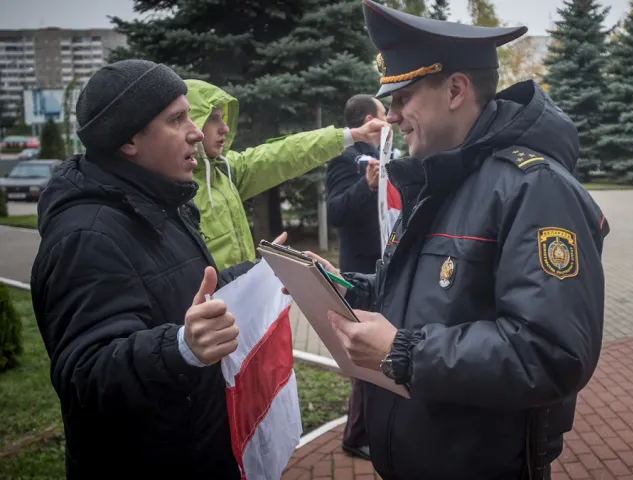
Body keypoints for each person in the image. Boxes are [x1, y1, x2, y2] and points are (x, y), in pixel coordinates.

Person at [290, 2, 610, 478]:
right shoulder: (439, 175)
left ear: (456, 90)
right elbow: (425, 296)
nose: (392, 117)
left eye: (403, 98)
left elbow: (552, 352)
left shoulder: (533, 188)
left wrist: (405, 352)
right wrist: (344, 287)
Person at [30, 60, 285, 479]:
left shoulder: (164, 206)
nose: (197, 131)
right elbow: (84, 376)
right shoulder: (86, 237)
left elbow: (188, 291)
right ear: (129, 139)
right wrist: (181, 347)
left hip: (197, 449)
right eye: (176, 119)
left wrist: (263, 272)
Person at [184, 79, 385, 270]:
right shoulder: (175, 189)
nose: (225, 128)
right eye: (212, 118)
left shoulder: (225, 171)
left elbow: (284, 154)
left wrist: (352, 135)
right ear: (190, 122)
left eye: (223, 118)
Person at [324, 93, 389, 460]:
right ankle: (356, 434)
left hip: (381, 263)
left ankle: (365, 428)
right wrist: (365, 186)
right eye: (384, 116)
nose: (389, 121)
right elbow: (335, 211)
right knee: (365, 353)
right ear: (369, 119)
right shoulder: (343, 158)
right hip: (359, 267)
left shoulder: (385, 156)